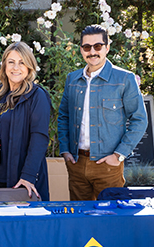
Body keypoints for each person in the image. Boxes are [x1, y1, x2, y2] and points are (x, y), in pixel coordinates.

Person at [57, 24, 147, 201]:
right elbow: (64, 116)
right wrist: (65, 150)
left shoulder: (124, 79)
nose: (92, 52)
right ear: (81, 49)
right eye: (87, 47)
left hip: (108, 167)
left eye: (97, 46)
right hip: (76, 163)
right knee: (79, 218)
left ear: (107, 47)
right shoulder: (72, 79)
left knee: (109, 221)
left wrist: (118, 155)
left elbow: (139, 119)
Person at [0, 41, 51, 200]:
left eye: (22, 63)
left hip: (20, 178)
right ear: (4, 66)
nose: (16, 67)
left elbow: (39, 138)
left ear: (29, 67)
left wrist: (28, 176)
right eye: (11, 62)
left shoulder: (37, 96)